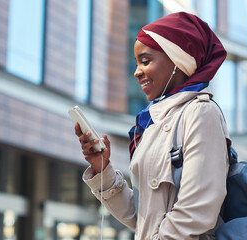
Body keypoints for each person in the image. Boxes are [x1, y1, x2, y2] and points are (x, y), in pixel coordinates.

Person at [75, 12, 230, 240]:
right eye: (137, 63)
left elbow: (197, 212)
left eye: (145, 61)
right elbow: (144, 219)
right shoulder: (153, 123)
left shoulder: (200, 112)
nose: (137, 72)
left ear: (178, 60)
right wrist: (103, 169)